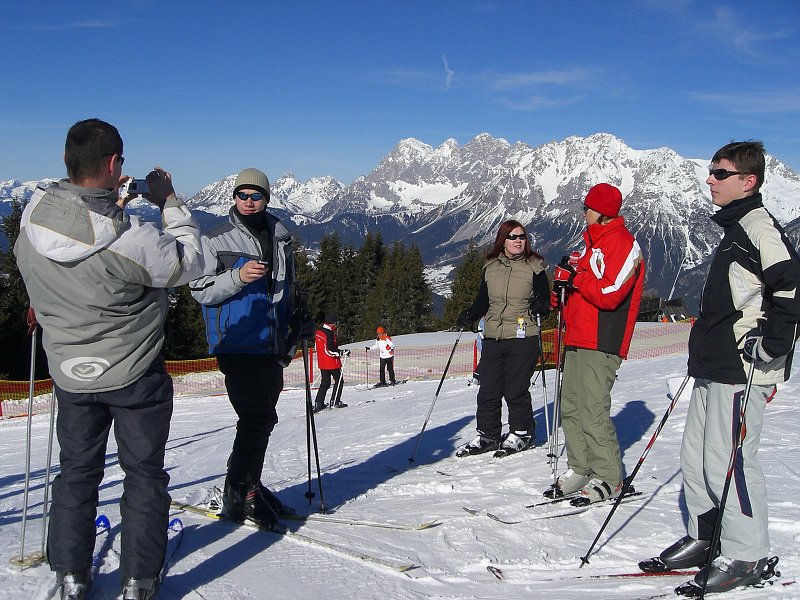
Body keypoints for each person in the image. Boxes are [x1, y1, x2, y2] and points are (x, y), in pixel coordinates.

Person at [14, 118, 204, 600]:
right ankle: (139, 578)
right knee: (142, 474)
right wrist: (170, 204)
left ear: (65, 161)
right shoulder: (130, 238)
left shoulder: (31, 220)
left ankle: (71, 574)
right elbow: (191, 262)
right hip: (133, 371)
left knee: (77, 472)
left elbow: (73, 247)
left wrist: (108, 203)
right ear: (116, 163)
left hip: (69, 372)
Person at [648, 142, 800, 594]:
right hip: (714, 365)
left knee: (729, 462)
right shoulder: (736, 227)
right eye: (711, 172)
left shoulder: (759, 228)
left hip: (742, 370)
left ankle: (747, 554)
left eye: (719, 172)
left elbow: (791, 285)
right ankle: (706, 535)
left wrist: (770, 348)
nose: (709, 179)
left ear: (747, 181)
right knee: (695, 459)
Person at [189, 167, 309, 534]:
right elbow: (199, 289)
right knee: (256, 418)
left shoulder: (280, 236)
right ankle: (241, 490)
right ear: (234, 197)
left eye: (256, 195)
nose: (249, 201)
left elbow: (282, 287)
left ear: (267, 198)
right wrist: (237, 277)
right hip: (236, 341)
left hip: (271, 342)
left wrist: (296, 317)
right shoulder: (216, 239)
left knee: (263, 419)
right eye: (242, 194)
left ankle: (245, 486)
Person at [544, 183, 644, 504]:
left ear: (600, 212)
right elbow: (582, 287)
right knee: (571, 406)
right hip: (576, 336)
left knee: (592, 408)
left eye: (585, 207)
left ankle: (609, 477)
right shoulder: (588, 244)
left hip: (602, 339)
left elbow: (612, 292)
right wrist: (561, 290)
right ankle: (581, 467)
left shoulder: (625, 245)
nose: (582, 212)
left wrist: (575, 280)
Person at [456, 220, 550, 458]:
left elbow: (545, 300)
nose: (518, 241)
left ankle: (522, 433)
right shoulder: (490, 267)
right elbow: (483, 301)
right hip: (493, 335)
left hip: (523, 334)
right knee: (488, 387)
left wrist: (542, 306)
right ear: (503, 240)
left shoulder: (534, 266)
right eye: (512, 237)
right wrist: (471, 313)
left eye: (522, 237)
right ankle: (488, 434)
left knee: (515, 388)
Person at [314, 313, 350, 411]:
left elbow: (317, 347)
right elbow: (329, 349)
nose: (336, 325)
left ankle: (318, 403)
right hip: (331, 362)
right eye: (335, 323)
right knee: (339, 381)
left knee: (325, 382)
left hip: (322, 362)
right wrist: (341, 352)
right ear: (332, 323)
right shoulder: (328, 333)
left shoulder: (319, 331)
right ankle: (335, 401)